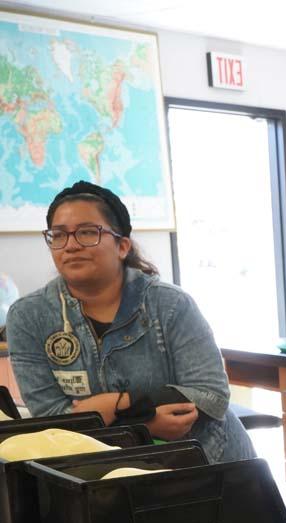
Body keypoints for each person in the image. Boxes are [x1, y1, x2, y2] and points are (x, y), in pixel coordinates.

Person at [7, 181, 254, 464]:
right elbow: (51, 420)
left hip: (209, 463)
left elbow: (211, 396)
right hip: (103, 474)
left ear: (122, 246)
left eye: (88, 232)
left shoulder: (170, 305)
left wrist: (112, 406)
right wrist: (140, 421)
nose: (71, 245)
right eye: (59, 235)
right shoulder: (28, 317)